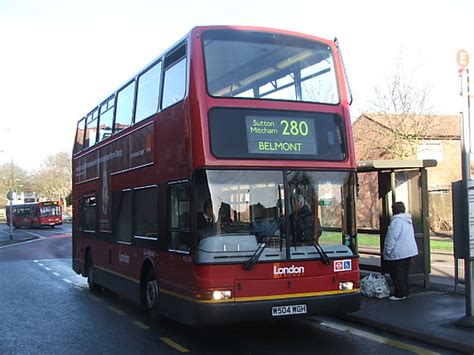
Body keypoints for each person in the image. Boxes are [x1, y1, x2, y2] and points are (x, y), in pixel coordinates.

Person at [383, 201, 418, 301]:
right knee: (405, 273)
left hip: (399, 252)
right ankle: (406, 292)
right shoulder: (408, 220)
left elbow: (391, 237)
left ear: (394, 210)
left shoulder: (396, 221)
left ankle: (399, 294)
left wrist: (387, 251)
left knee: (397, 273)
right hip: (409, 251)